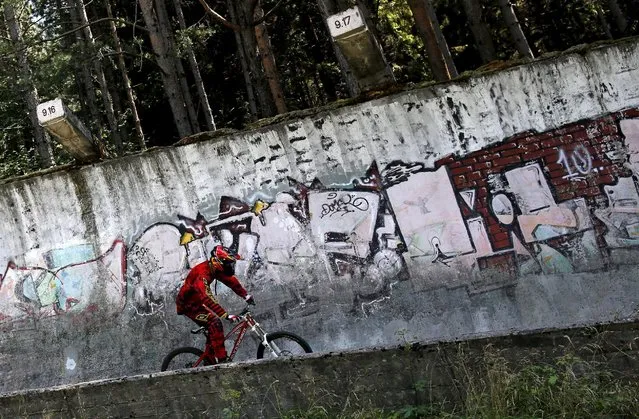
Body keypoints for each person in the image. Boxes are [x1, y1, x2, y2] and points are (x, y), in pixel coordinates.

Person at [176, 245, 255, 363]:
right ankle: (222, 360)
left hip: (197, 302)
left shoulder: (214, 268)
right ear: (218, 262)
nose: (230, 266)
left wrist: (246, 295)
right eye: (228, 263)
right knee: (215, 322)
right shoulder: (202, 274)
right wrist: (225, 315)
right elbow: (207, 298)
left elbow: (231, 281)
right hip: (188, 306)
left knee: (212, 331)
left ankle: (210, 360)